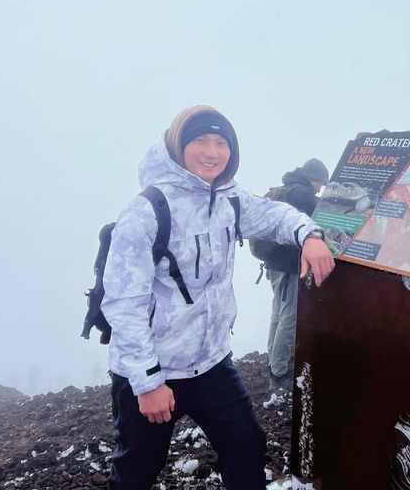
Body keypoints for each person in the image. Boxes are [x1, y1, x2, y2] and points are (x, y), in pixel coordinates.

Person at [101, 106, 334, 490]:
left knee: (245, 444)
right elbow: (124, 303)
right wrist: (146, 383)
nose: (212, 152)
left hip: (211, 363)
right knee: (138, 468)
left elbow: (275, 216)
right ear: (178, 146)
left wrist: (309, 235)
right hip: (155, 368)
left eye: (221, 142)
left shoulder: (229, 198)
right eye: (200, 141)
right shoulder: (147, 211)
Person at [263, 159, 329, 391]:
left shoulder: (289, 188)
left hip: (274, 264)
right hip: (289, 266)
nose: (321, 188)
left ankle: (274, 362)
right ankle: (279, 374)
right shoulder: (304, 194)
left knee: (278, 315)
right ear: (314, 178)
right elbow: (317, 223)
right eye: (321, 183)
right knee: (289, 318)